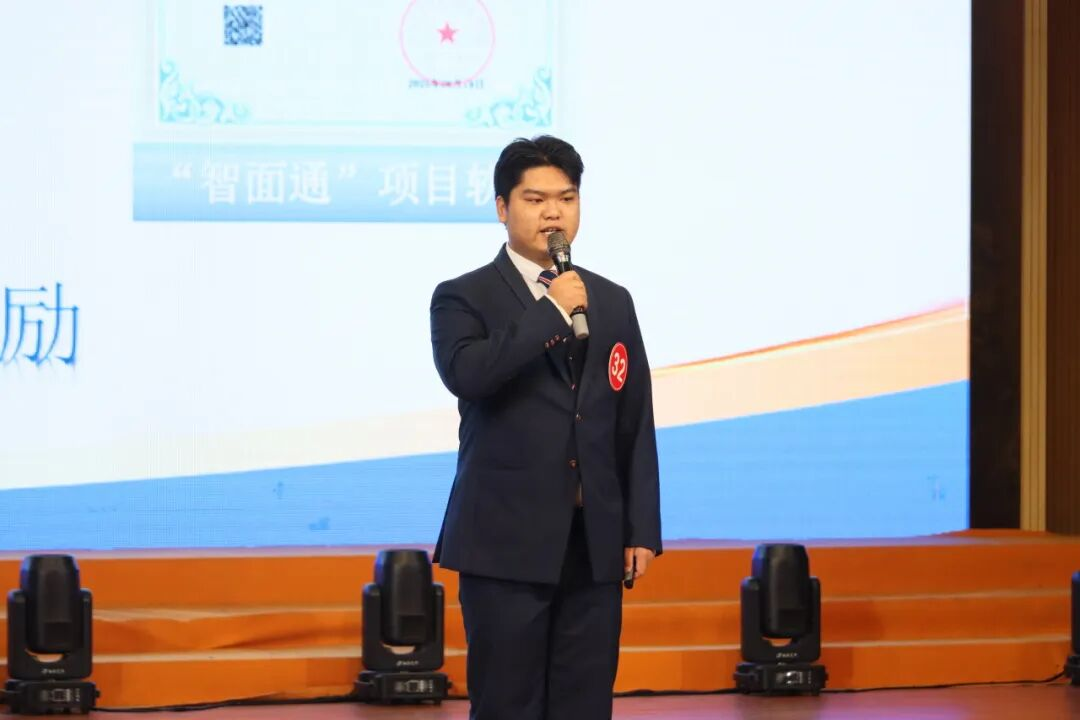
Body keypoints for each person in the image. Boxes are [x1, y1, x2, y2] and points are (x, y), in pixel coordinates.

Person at [429, 135, 662, 720]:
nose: (553, 213)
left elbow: (632, 417)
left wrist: (640, 527)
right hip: (505, 543)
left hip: (593, 541)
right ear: (502, 207)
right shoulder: (463, 296)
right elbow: (469, 375)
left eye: (566, 198)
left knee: (586, 704)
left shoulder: (611, 300)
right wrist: (551, 312)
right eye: (535, 200)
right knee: (508, 703)